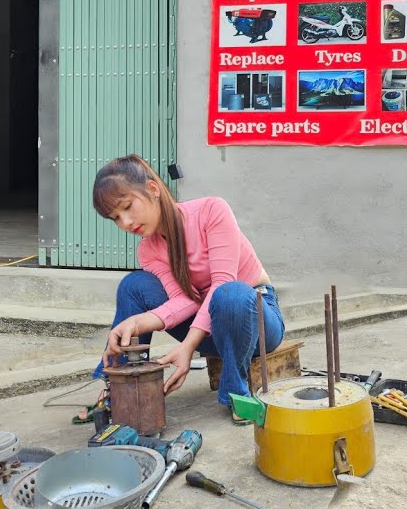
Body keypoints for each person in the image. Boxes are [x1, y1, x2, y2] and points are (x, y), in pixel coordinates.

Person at [79, 155, 285, 425]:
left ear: (153, 190)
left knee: (230, 294)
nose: (126, 223)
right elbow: (183, 301)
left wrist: (187, 347)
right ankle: (117, 386)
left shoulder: (212, 211)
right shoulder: (148, 249)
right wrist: (136, 322)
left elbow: (222, 283)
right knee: (134, 285)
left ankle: (236, 391)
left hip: (254, 319)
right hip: (210, 326)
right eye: (115, 218)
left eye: (127, 207)